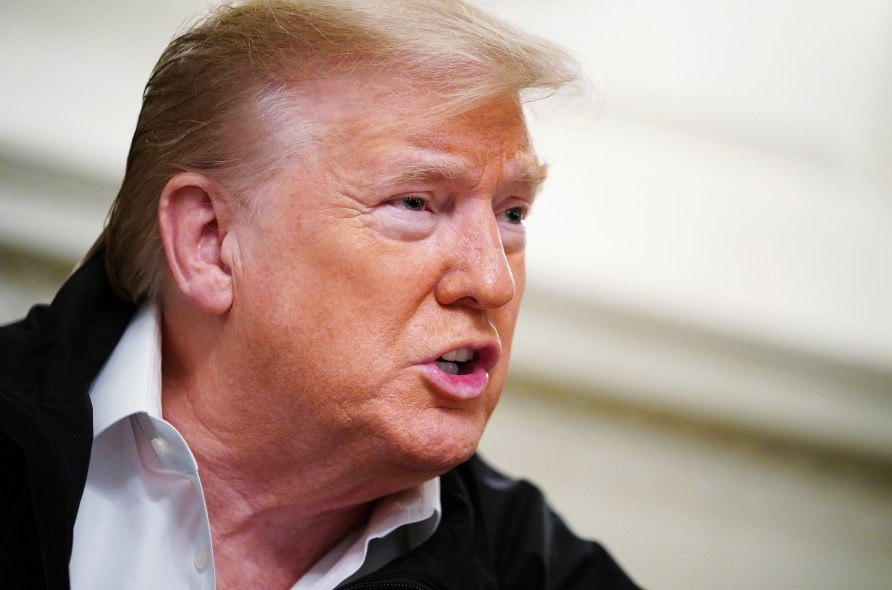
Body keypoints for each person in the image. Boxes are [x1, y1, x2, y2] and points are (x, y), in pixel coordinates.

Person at [0, 1, 641, 588]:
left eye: (512, 215)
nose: (492, 280)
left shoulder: (540, 573)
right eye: (415, 203)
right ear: (211, 244)